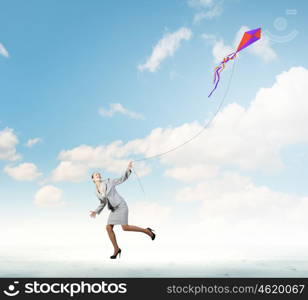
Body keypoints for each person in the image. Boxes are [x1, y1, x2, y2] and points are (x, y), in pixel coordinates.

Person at [89, 161, 156, 259]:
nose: (98, 175)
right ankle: (116, 249)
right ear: (93, 179)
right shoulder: (96, 192)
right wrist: (96, 211)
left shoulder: (109, 182)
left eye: (99, 174)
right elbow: (103, 203)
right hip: (113, 209)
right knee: (108, 228)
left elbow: (121, 179)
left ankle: (147, 231)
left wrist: (128, 170)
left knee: (125, 227)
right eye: (96, 175)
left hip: (121, 205)